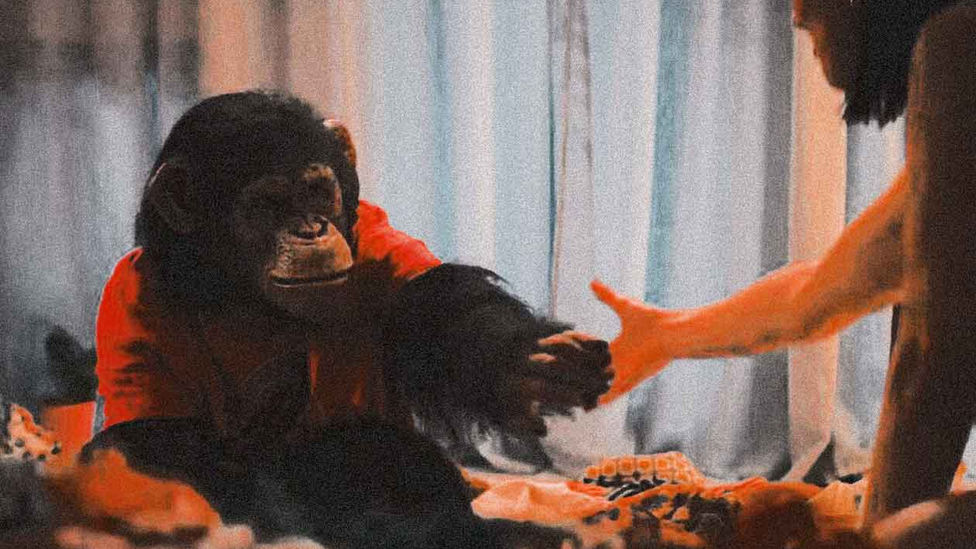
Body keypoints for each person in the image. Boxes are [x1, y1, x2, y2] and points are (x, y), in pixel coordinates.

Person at [592, 0, 976, 527]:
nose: (794, 15)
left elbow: (935, 356)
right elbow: (820, 293)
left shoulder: (959, 42)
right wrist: (665, 336)